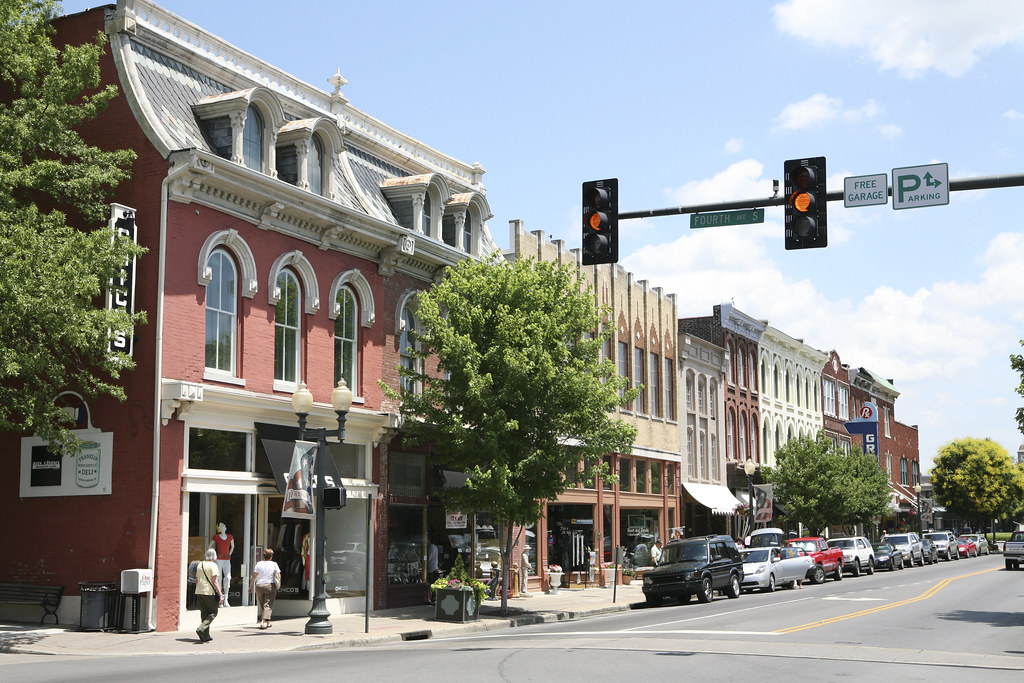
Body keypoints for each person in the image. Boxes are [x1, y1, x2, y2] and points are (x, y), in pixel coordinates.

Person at [194, 548, 221, 642]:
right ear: (214, 556)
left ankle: (206, 635)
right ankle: (201, 629)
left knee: (204, 613)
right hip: (209, 592)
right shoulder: (213, 565)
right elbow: (215, 581)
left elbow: (197, 580)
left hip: (199, 591)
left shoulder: (200, 564)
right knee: (213, 612)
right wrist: (220, 594)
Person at [250, 548, 281, 629]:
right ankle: (262, 622)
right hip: (269, 586)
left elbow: (254, 575)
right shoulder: (274, 564)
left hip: (259, 586)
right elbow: (279, 575)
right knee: (268, 605)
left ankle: (268, 622)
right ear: (271, 556)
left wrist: (251, 585)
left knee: (263, 604)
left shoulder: (259, 563)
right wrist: (278, 585)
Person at [208, 522, 234, 606]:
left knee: (228, 577)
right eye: (222, 526)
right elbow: (209, 546)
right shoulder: (216, 537)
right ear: (220, 528)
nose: (225, 526)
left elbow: (232, 546)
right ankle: (220, 598)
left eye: (224, 525)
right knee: (218, 578)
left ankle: (226, 598)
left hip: (227, 559)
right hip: (219, 559)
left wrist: (230, 554)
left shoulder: (230, 537)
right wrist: (213, 556)